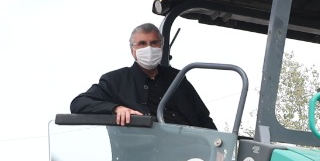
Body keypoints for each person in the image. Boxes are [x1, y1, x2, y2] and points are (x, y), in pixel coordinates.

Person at [71, 23, 217, 129]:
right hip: (144, 160)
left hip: (192, 153)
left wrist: (217, 148)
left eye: (154, 43)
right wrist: (116, 108)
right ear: (132, 50)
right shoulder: (115, 80)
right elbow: (78, 103)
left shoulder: (177, 78)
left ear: (161, 46)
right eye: (142, 44)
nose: (149, 48)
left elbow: (203, 117)